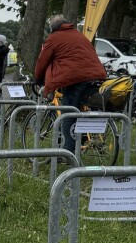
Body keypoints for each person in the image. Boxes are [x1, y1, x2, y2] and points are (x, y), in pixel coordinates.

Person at [34, 14, 106, 147]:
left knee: (67, 114)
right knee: (80, 107)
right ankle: (84, 137)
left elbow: (42, 61)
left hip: (76, 78)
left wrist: (38, 79)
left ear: (52, 28)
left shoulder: (53, 38)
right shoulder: (79, 35)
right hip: (96, 74)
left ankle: (67, 153)